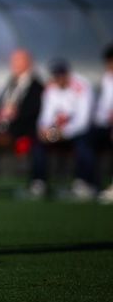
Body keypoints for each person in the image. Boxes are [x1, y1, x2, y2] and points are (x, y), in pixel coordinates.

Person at [0, 48, 43, 196]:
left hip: (21, 128)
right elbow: (2, 103)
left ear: (28, 63)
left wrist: (14, 117)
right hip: (3, 125)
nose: (13, 64)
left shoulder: (36, 85)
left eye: (17, 61)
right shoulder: (12, 82)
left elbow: (33, 111)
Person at [32, 58, 96, 200]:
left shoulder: (81, 86)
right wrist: (44, 129)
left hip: (78, 131)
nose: (58, 78)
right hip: (57, 132)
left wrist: (63, 133)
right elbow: (46, 115)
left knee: (83, 144)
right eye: (55, 74)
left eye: (60, 74)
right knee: (39, 143)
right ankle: (39, 182)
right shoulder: (51, 88)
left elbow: (83, 121)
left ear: (67, 74)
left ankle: (84, 182)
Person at [95, 45, 113, 203]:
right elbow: (101, 109)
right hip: (106, 125)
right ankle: (89, 183)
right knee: (86, 139)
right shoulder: (106, 79)